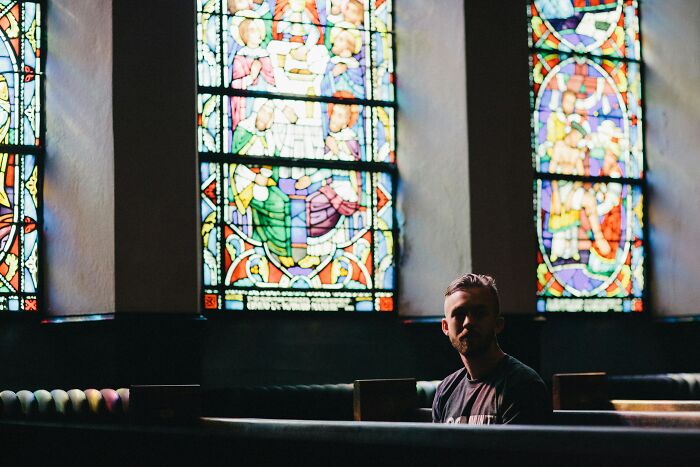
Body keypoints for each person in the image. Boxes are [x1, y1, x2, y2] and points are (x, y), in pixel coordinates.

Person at [433, 274, 551, 424]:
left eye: (479, 314)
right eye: (459, 314)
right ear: (445, 327)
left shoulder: (524, 386)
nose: (468, 322)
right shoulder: (445, 390)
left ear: (498, 324)